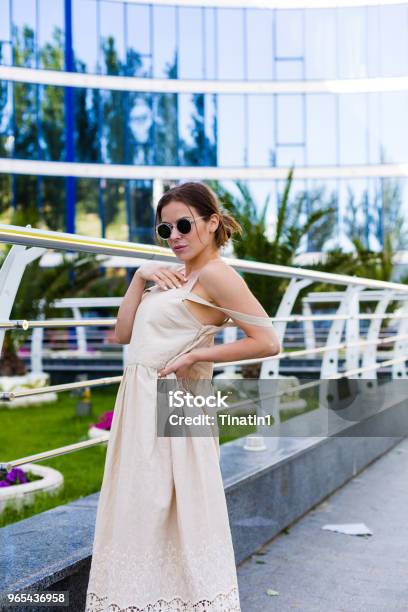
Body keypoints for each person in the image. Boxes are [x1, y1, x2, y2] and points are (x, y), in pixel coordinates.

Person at [85, 182, 280, 611]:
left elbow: (267, 341)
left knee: (179, 512)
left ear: (211, 224)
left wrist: (198, 354)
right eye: (164, 228)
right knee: (143, 510)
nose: (174, 235)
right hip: (140, 403)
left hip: (173, 399)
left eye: (184, 224)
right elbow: (123, 334)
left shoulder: (215, 274)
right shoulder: (174, 274)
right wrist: (139, 277)